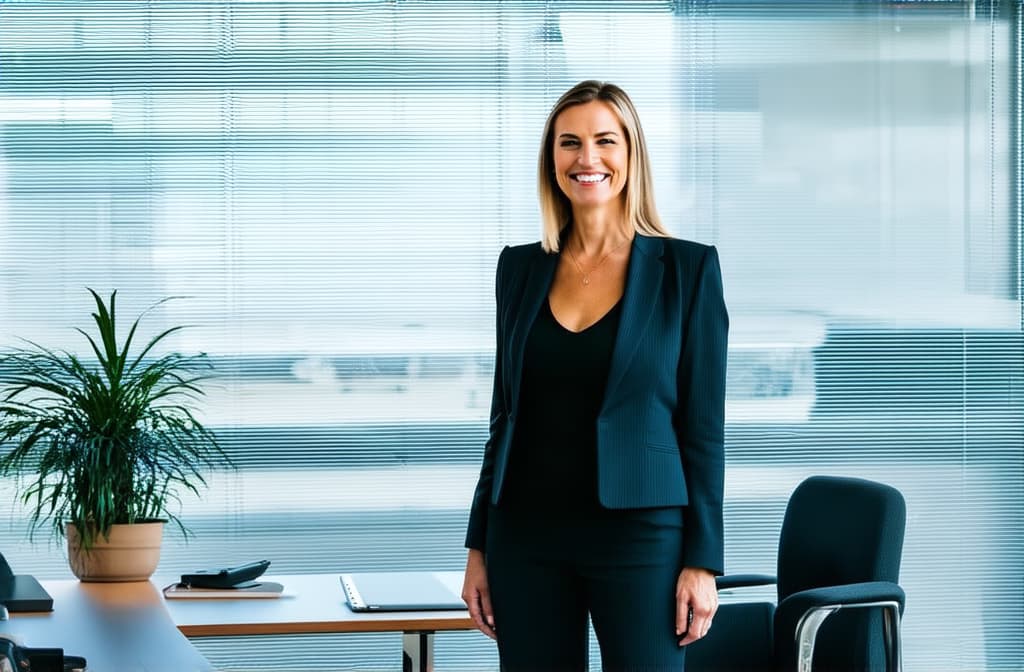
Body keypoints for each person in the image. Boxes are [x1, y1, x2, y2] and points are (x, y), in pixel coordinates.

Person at [461, 80, 728, 672]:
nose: (587, 159)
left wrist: (703, 561)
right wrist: (479, 547)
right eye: (569, 143)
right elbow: (504, 417)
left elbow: (703, 429)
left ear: (631, 155)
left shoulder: (688, 270)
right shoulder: (520, 268)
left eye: (605, 141)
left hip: (640, 538)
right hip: (526, 537)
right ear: (550, 157)